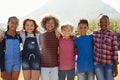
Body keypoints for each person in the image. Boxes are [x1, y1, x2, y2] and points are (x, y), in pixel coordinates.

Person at [93, 14, 119, 80]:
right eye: (101, 22)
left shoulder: (112, 35)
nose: (103, 23)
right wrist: (74, 37)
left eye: (105, 22)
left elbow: (115, 51)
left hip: (109, 64)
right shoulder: (95, 33)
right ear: (98, 23)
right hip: (98, 64)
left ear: (109, 23)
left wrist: (115, 66)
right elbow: (85, 37)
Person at [40, 15, 60, 80]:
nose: (50, 24)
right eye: (48, 23)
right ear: (44, 24)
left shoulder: (58, 35)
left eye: (52, 23)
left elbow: (67, 37)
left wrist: (73, 36)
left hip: (55, 64)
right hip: (44, 65)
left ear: (55, 24)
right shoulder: (41, 36)